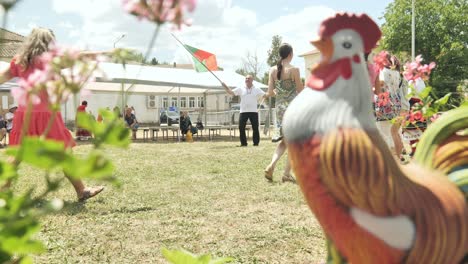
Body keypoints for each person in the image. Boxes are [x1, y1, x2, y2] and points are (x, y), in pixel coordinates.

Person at [0, 28, 104, 201]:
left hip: (24, 114)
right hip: (47, 115)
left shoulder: (19, 62)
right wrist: (105, 53)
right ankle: (82, 190)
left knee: (17, 156)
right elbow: (80, 56)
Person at [264, 43, 303, 183]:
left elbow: (270, 92)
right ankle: (286, 174)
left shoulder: (272, 70)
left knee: (285, 141)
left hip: (279, 109)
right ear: (290, 54)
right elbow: (300, 89)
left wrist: (279, 93)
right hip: (293, 109)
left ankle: (272, 165)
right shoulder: (294, 70)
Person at [375, 54, 408, 160]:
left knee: (385, 132)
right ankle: (399, 156)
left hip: (386, 103)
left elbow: (382, 87)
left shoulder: (383, 71)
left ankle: (392, 158)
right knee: (395, 132)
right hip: (397, 103)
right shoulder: (397, 73)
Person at [222, 75, 266, 146]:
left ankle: (256, 143)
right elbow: (231, 92)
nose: (247, 79)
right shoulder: (241, 88)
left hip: (253, 111)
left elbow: (265, 95)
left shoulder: (257, 89)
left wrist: (272, 92)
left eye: (248, 78)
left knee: (255, 128)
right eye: (246, 78)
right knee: (241, 127)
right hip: (243, 111)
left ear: (252, 80)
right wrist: (225, 86)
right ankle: (243, 143)